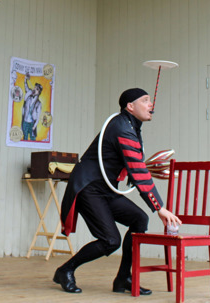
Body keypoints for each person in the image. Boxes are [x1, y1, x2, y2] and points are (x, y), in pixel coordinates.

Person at [53, 88, 182, 295]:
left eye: (150, 101)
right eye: (145, 101)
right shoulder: (122, 127)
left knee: (139, 219)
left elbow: (131, 164)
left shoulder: (131, 126)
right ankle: (65, 270)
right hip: (89, 187)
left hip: (105, 189)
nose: (151, 105)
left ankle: (123, 278)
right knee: (110, 240)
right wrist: (160, 207)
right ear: (130, 107)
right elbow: (138, 169)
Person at [21, 72, 43, 141]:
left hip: (32, 123)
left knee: (33, 138)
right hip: (25, 121)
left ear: (39, 93)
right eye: (35, 87)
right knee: (25, 138)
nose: (35, 89)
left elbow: (38, 115)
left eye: (37, 89)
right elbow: (26, 87)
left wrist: (35, 126)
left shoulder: (38, 103)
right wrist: (25, 79)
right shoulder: (29, 94)